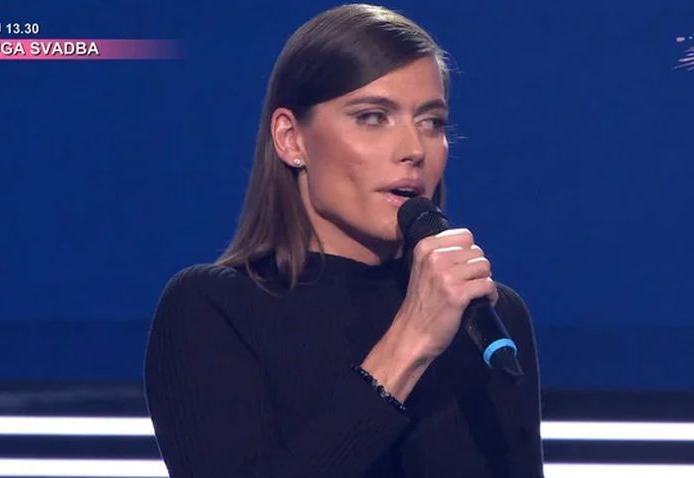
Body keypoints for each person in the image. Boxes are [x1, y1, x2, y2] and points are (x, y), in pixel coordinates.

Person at [143, 4, 544, 477]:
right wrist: (410, 343)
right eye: (373, 117)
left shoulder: (488, 318)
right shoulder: (212, 309)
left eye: (431, 122)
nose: (413, 150)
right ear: (291, 139)